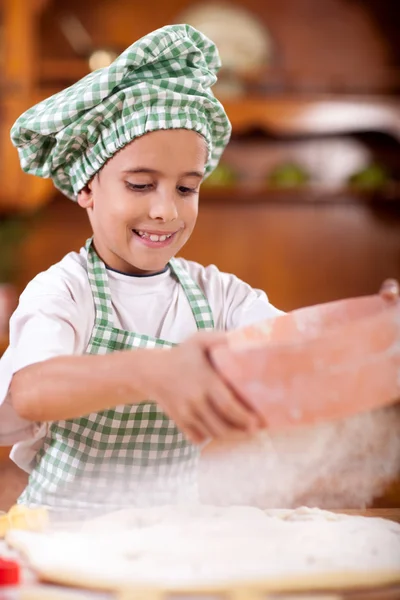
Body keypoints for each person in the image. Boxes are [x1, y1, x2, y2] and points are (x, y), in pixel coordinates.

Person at [0, 25, 283, 512]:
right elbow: (31, 392)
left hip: (168, 540)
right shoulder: (65, 291)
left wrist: (377, 325)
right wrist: (156, 371)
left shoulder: (219, 295)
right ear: (87, 187)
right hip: (63, 538)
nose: (165, 212)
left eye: (185, 188)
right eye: (139, 185)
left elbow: (296, 347)